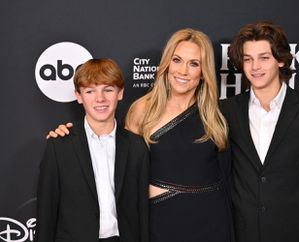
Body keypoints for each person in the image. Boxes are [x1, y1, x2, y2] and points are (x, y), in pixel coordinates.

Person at [47, 28, 234, 242]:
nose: (183, 70)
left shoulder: (216, 114)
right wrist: (69, 136)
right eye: (177, 60)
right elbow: (119, 168)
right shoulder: (143, 110)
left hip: (212, 221)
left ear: (203, 72)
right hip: (161, 222)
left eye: (194, 63)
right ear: (167, 64)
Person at [220, 21, 299, 242]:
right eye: (248, 59)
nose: (255, 67)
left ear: (281, 60)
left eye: (264, 58)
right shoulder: (228, 110)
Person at [36, 58, 149, 242]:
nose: (100, 99)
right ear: (79, 96)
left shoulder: (137, 147)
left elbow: (142, 211)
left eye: (108, 89)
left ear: (120, 93)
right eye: (90, 91)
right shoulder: (59, 146)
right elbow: (46, 213)